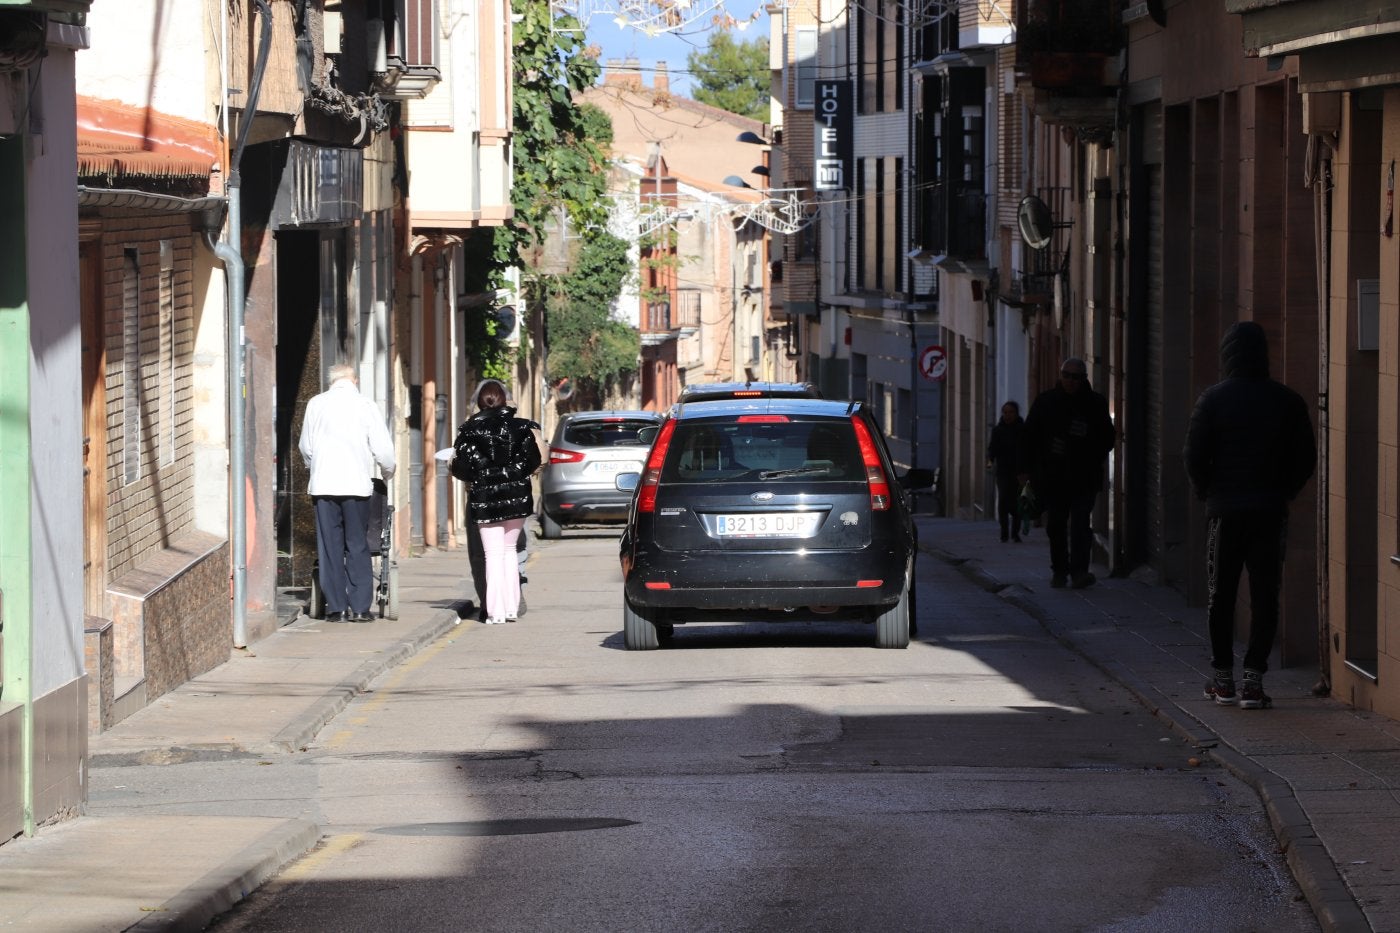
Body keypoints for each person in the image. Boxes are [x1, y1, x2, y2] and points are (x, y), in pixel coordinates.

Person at [1183, 321, 1316, 710]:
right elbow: (1305, 458)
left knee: (1219, 595)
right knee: (1265, 595)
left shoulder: (1212, 400)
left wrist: (1206, 491)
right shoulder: (1288, 401)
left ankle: (1223, 679)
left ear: (1227, 355)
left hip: (1224, 513)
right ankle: (1254, 680)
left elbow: (1193, 456)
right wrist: (1284, 491)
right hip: (1269, 512)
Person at [298, 362, 396, 623]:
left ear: (331, 382)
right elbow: (384, 450)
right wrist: (388, 472)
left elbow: (306, 447)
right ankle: (361, 608)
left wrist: (315, 467)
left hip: (324, 486)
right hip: (356, 486)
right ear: (354, 381)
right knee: (357, 544)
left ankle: (336, 609)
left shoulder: (316, 404)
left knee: (330, 547)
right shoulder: (365, 405)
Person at [451, 379, 542, 625]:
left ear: (479, 403)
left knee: (492, 554)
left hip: (485, 500)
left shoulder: (469, 431)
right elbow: (533, 461)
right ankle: (511, 608)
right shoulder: (521, 428)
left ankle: (495, 610)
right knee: (510, 551)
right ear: (504, 400)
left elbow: (462, 469)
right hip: (517, 499)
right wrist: (516, 473)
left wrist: (477, 473)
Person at [1020, 357, 1116, 590]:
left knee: (1081, 524)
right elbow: (1029, 438)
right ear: (1060, 375)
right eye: (1067, 376)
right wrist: (1027, 470)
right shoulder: (1046, 403)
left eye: (1076, 377)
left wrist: (1084, 442)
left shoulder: (1095, 404)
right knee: (1056, 525)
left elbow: (1107, 439)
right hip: (1053, 478)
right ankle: (1060, 570)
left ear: (1084, 379)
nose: (1071, 381)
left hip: (1085, 476)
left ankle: (1080, 571)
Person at [986, 400, 1025, 543]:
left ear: (1016, 414)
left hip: (1019, 472)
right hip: (1003, 472)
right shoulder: (998, 430)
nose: (1008, 415)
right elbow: (992, 449)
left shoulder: (1022, 429)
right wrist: (990, 461)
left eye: (1011, 412)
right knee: (1003, 501)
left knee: (1017, 503)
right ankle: (1004, 532)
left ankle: (1015, 532)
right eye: (1005, 413)